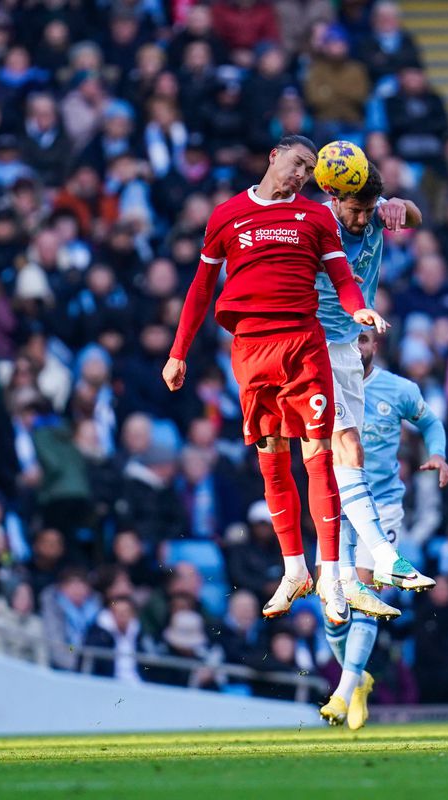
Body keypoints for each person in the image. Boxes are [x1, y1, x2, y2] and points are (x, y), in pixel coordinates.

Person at [163, 134, 389, 624]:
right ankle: (294, 569)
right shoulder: (226, 215)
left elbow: (343, 277)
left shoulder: (314, 217)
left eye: (308, 170)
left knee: (318, 454)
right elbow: (201, 288)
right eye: (296, 163)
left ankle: (331, 574)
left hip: (302, 346)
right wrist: (178, 352)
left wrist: (360, 310)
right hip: (249, 348)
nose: (300, 174)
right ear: (273, 156)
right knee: (270, 456)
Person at [316, 163, 435, 616]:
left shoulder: (376, 210)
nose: (363, 220)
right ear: (335, 200)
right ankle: (369, 564)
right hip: (316, 343)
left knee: (345, 457)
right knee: (342, 449)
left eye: (369, 210)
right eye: (356, 210)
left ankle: (344, 577)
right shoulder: (318, 223)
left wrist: (402, 206)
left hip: (347, 344)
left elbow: (415, 217)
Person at [319, 330, 448, 727]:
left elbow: (430, 423)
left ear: (375, 346)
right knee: (333, 608)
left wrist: (439, 454)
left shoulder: (398, 389)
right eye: (350, 341)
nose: (357, 348)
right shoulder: (323, 384)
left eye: (364, 340)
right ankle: (357, 677)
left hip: (383, 508)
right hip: (334, 504)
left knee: (365, 594)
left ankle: (342, 692)